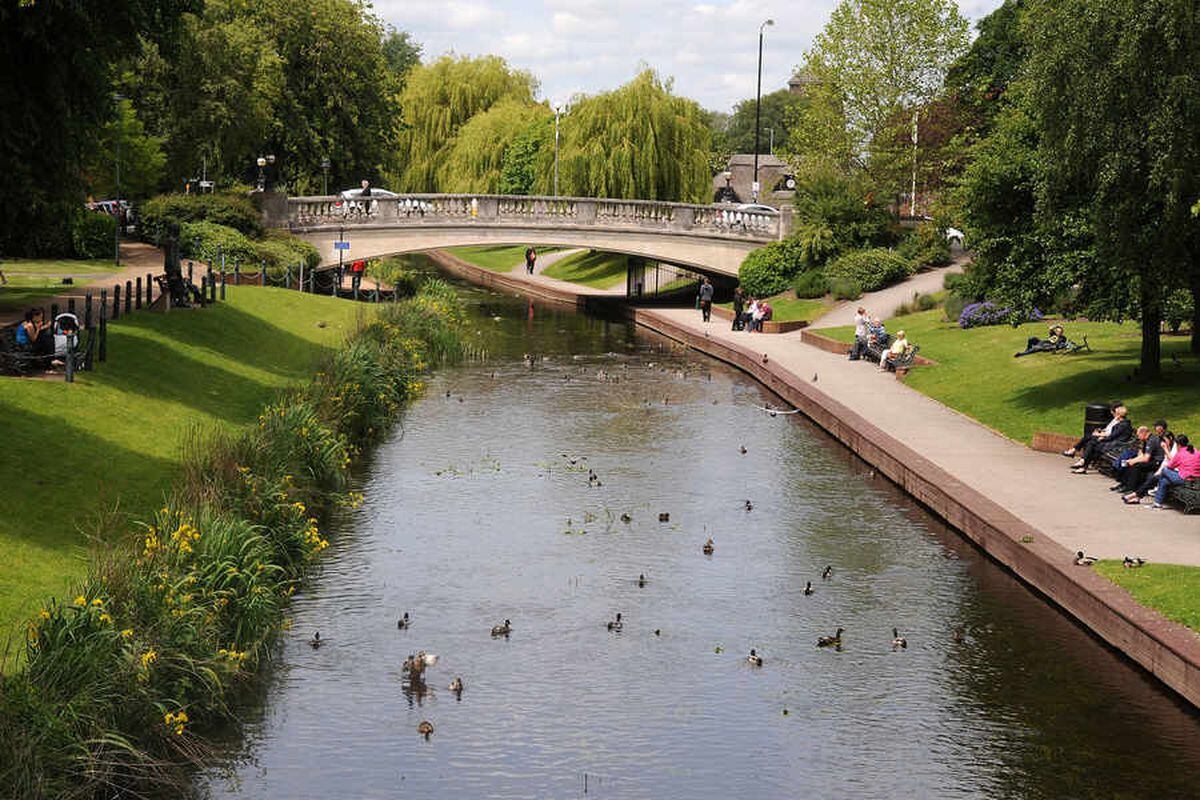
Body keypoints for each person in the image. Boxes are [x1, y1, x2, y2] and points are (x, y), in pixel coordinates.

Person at [1069, 404, 1131, 473]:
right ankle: (1083, 464)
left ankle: (1083, 464)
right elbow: (1112, 435)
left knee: (1092, 444)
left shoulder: (1123, 425)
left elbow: (1112, 436)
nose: (1114, 415)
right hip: (1114, 442)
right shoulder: (1122, 423)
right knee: (1092, 443)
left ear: (1119, 415)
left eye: (1115, 414)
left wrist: (1102, 439)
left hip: (1117, 445)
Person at [1146, 435, 1200, 509]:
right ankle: (1157, 502)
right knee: (1164, 481)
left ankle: (1156, 491)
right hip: (1196, 479)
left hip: (1185, 479)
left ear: (1178, 445)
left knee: (1164, 470)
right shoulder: (1196, 451)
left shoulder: (1180, 453)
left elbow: (1169, 466)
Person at [1111, 425, 1164, 493]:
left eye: (1138, 435)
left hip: (1157, 462)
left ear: (1143, 433)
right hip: (1150, 459)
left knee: (1136, 466)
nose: (1138, 437)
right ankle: (1124, 484)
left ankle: (1131, 488)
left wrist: (1133, 461)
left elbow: (1146, 458)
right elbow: (1142, 454)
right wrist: (1131, 460)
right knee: (1126, 463)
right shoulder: (1146, 440)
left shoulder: (1152, 440)